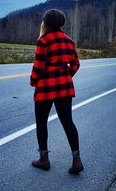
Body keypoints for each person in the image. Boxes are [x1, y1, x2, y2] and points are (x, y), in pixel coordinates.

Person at [30, 9, 84, 174]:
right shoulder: (69, 41)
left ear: (45, 23)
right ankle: (77, 160)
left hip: (45, 89)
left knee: (41, 123)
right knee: (68, 122)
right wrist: (66, 76)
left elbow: (38, 68)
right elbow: (76, 64)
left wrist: (33, 81)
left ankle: (44, 159)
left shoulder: (43, 41)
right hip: (65, 88)